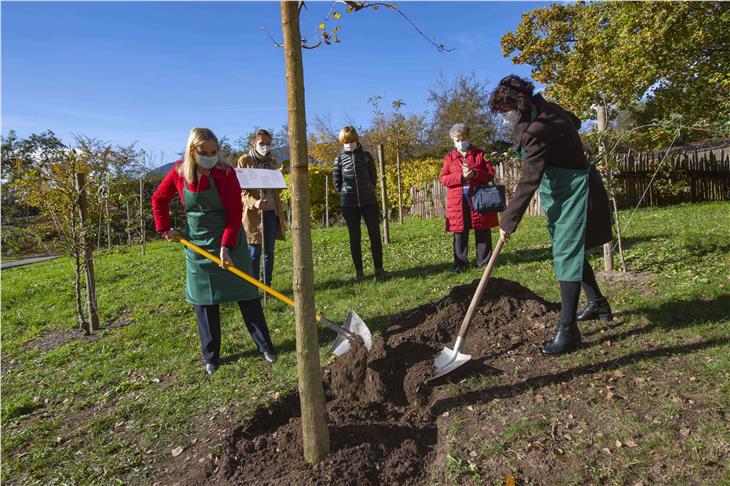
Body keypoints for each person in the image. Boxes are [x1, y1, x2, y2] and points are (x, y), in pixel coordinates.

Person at [489, 75, 613, 356]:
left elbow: (528, 180)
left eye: (507, 112)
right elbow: (576, 121)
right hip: (562, 191)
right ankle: (597, 303)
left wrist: (508, 222)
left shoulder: (537, 130)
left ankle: (568, 331)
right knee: (571, 250)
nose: (505, 119)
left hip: (573, 193)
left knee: (565, 254)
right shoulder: (552, 110)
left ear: (520, 106)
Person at [152, 128, 276, 374]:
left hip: (230, 239)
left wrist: (226, 245)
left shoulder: (227, 173)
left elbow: (233, 214)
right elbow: (159, 199)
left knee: (246, 292)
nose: (210, 156)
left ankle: (265, 346)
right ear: (192, 151)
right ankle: (211, 356)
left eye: (213, 152)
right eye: (203, 152)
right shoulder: (179, 172)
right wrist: (165, 229)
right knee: (204, 300)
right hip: (197, 243)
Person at [333, 126, 391, 281]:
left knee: (375, 235)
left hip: (369, 202)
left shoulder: (366, 156)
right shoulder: (339, 159)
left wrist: (368, 190)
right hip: (349, 205)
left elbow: (374, 177)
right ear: (342, 141)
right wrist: (346, 193)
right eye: (346, 141)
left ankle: (379, 269)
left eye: (351, 140)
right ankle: (359, 272)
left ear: (356, 139)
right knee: (355, 237)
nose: (349, 143)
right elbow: (337, 183)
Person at [439, 123, 499, 272]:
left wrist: (475, 174)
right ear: (453, 140)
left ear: (468, 137)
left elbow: (491, 173)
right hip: (458, 201)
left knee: (482, 229)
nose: (461, 142)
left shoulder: (479, 154)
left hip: (478, 197)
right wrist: (460, 177)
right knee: (460, 232)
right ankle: (461, 264)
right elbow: (444, 178)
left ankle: (484, 262)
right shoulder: (449, 158)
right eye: (457, 139)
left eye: (463, 138)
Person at [237, 129, 287, 287]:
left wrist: (279, 178)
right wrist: (255, 202)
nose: (264, 146)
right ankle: (252, 287)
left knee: (269, 252)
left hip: (271, 212)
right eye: (261, 143)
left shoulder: (272, 162)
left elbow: (277, 190)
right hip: (253, 215)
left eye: (268, 144)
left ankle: (267, 286)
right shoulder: (244, 161)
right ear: (254, 143)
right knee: (254, 252)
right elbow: (241, 191)